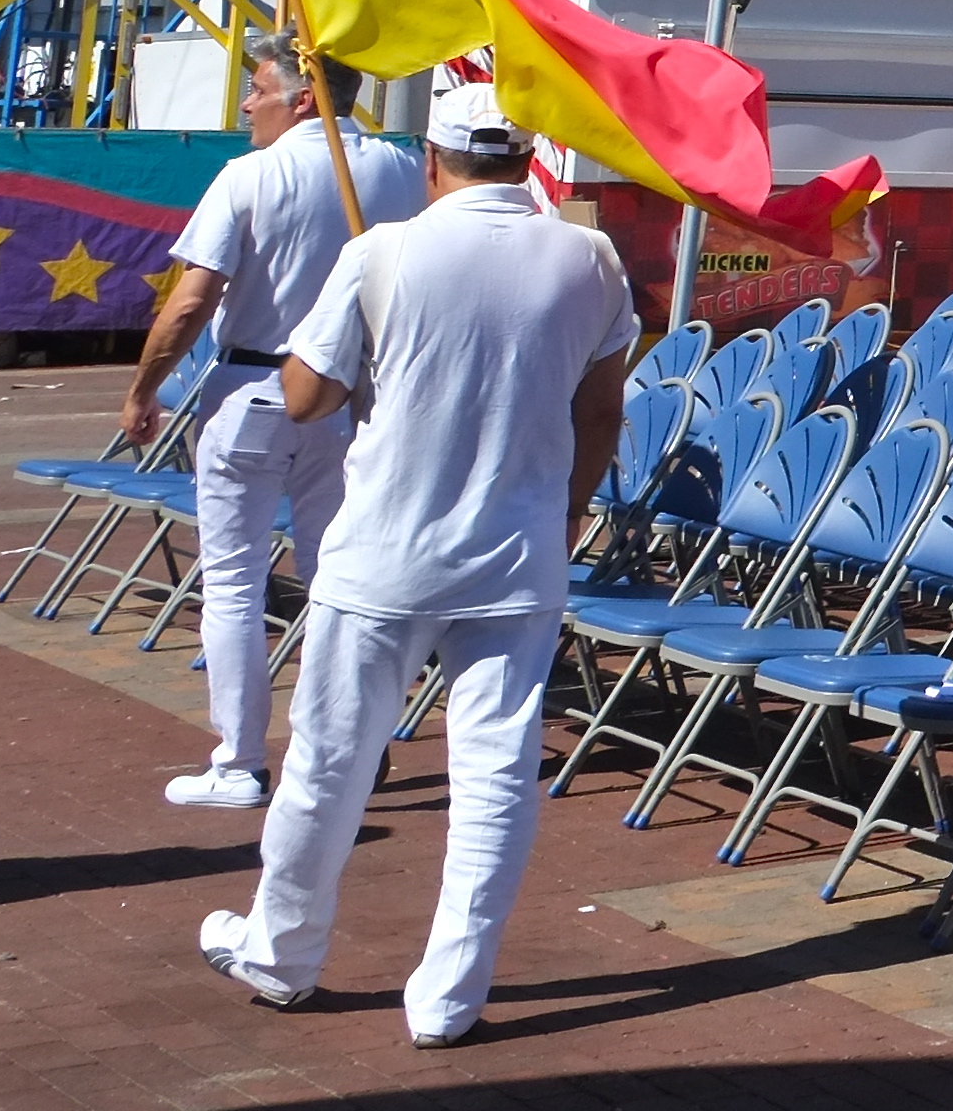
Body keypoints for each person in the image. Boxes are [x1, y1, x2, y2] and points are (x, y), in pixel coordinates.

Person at [199, 86, 638, 1046]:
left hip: (386, 556)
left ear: (432, 162)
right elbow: (601, 410)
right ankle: (448, 997)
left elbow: (307, 399)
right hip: (518, 552)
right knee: (494, 774)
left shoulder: (382, 252)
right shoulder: (592, 259)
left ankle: (282, 954)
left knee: (329, 762)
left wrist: (330, 337)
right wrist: (569, 511)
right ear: (524, 161)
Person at [121, 47, 426, 811]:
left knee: (232, 580)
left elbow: (192, 300)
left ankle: (239, 762)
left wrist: (143, 389)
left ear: (302, 98)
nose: (246, 106)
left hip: (255, 386)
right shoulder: (396, 171)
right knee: (336, 579)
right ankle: (351, 745)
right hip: (347, 395)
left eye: (258, 89)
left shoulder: (251, 176)